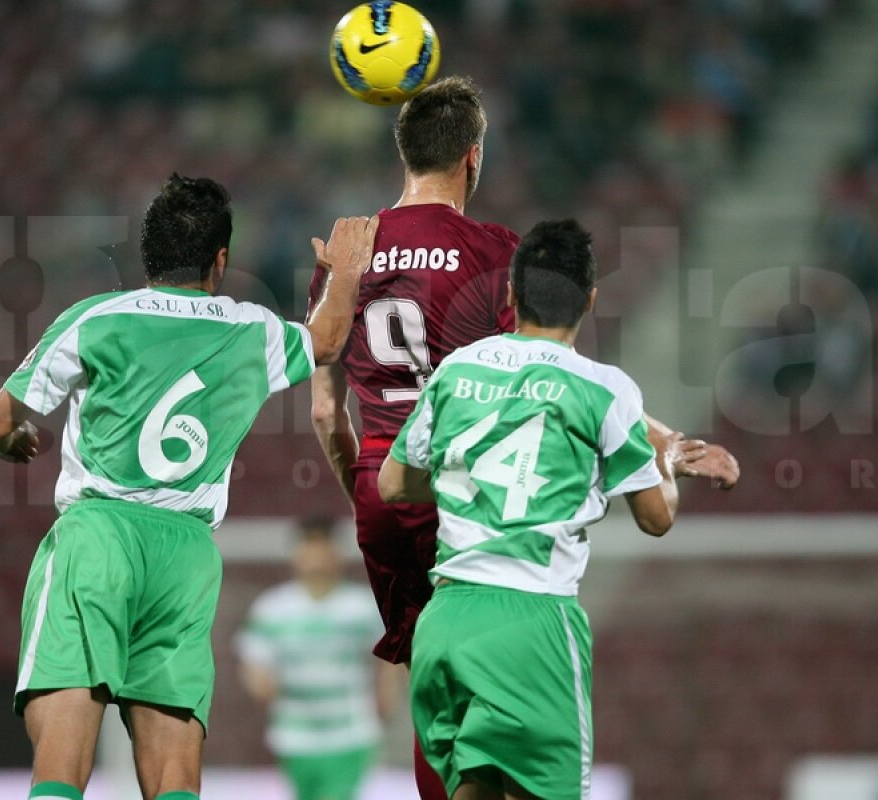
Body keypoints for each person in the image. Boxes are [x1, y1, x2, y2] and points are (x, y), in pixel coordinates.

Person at [307, 77, 738, 798]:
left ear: (401, 151)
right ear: (473, 157)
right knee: (498, 687)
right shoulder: (490, 252)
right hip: (462, 491)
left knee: (432, 675)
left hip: (383, 480)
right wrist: (664, 438)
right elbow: (545, 369)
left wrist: (364, 493)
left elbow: (325, 412)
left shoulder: (345, 254)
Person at [0, 174, 378, 800]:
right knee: (174, 783)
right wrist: (346, 270)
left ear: (147, 255)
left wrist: (9, 442)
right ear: (220, 260)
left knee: (61, 769)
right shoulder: (251, 329)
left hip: (98, 540)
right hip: (187, 556)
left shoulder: (96, 317)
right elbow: (326, 339)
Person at [376, 219, 738, 800]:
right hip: (531, 623)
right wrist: (666, 463)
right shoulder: (602, 387)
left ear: (512, 295)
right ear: (590, 300)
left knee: (475, 787)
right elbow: (655, 517)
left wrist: (473, 490)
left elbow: (394, 485)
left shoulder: (458, 369)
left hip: (444, 623)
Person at [236, 516, 397, 800]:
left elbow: (389, 658)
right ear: (296, 553)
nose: (317, 557)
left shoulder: (362, 607)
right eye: (309, 547)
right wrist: (260, 684)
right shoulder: (272, 609)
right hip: (294, 735)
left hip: (349, 732)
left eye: (324, 547)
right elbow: (253, 661)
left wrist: (385, 696)